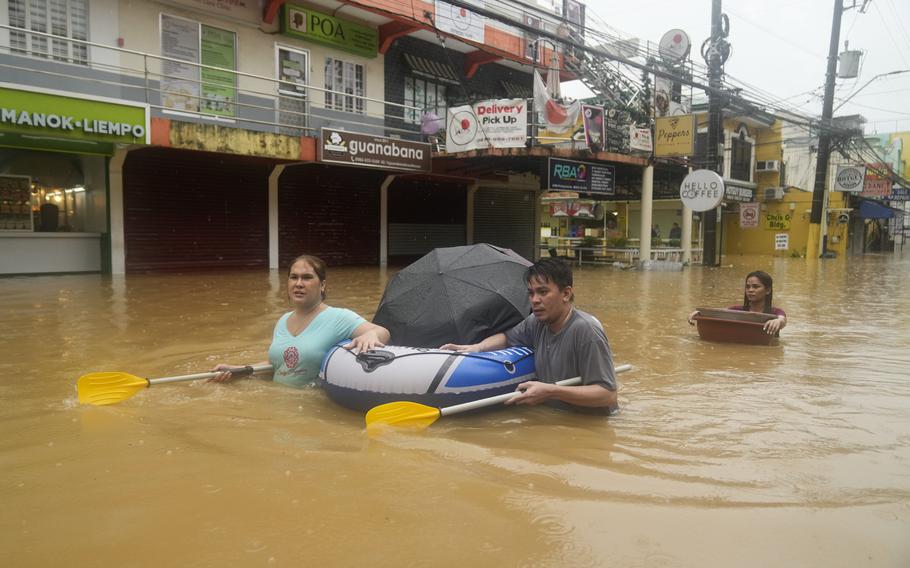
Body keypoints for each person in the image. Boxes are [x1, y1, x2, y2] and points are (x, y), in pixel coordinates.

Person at [441, 258, 618, 413]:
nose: (534, 300)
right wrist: (476, 348)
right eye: (531, 293)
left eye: (543, 292)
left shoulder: (586, 331)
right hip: (555, 419)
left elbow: (607, 394)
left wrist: (552, 391)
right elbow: (507, 338)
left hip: (588, 425)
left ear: (565, 294)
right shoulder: (536, 322)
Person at [210, 254, 390, 388]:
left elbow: (382, 332)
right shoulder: (283, 320)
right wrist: (238, 371)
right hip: (277, 406)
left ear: (323, 285)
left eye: (307, 277)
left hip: (312, 409)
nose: (299, 284)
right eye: (293, 277)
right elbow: (278, 366)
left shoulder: (338, 317)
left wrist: (370, 335)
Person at [688, 270, 787, 335]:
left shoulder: (776, 313)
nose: (750, 290)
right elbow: (718, 314)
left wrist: (777, 321)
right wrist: (700, 314)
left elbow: (782, 320)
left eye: (756, 287)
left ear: (768, 290)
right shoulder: (737, 310)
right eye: (747, 287)